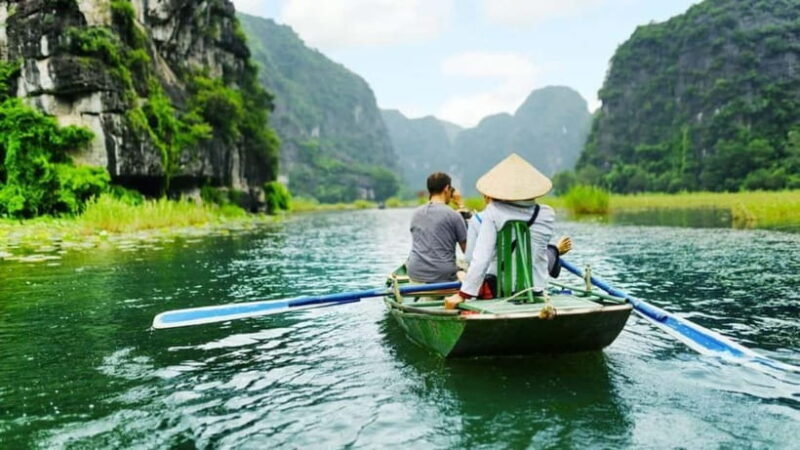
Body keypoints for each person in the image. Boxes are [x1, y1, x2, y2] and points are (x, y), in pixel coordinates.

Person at [445, 154, 561, 309]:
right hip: (537, 289)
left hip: (501, 290)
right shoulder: (547, 214)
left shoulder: (493, 212)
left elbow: (481, 258)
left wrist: (463, 294)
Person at [405, 172, 467, 283]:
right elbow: (467, 252)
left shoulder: (416, 214)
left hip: (414, 273)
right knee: (464, 268)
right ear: (447, 189)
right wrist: (461, 204)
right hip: (443, 276)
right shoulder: (454, 215)